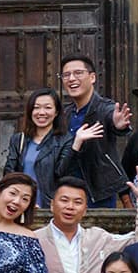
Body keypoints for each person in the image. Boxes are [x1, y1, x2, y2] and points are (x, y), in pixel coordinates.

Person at [52, 54, 128, 207]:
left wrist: (119, 126)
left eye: (78, 73)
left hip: (98, 192)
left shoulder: (105, 107)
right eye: (66, 75)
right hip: (67, 190)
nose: (71, 79)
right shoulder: (64, 114)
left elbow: (114, 123)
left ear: (92, 77)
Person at [2, 87, 65, 202]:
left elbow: (62, 174)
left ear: (56, 112)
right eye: (36, 108)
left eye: (48, 108)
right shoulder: (18, 140)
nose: (41, 112)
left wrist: (76, 146)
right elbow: (9, 173)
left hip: (49, 206)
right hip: (20, 206)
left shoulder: (65, 141)